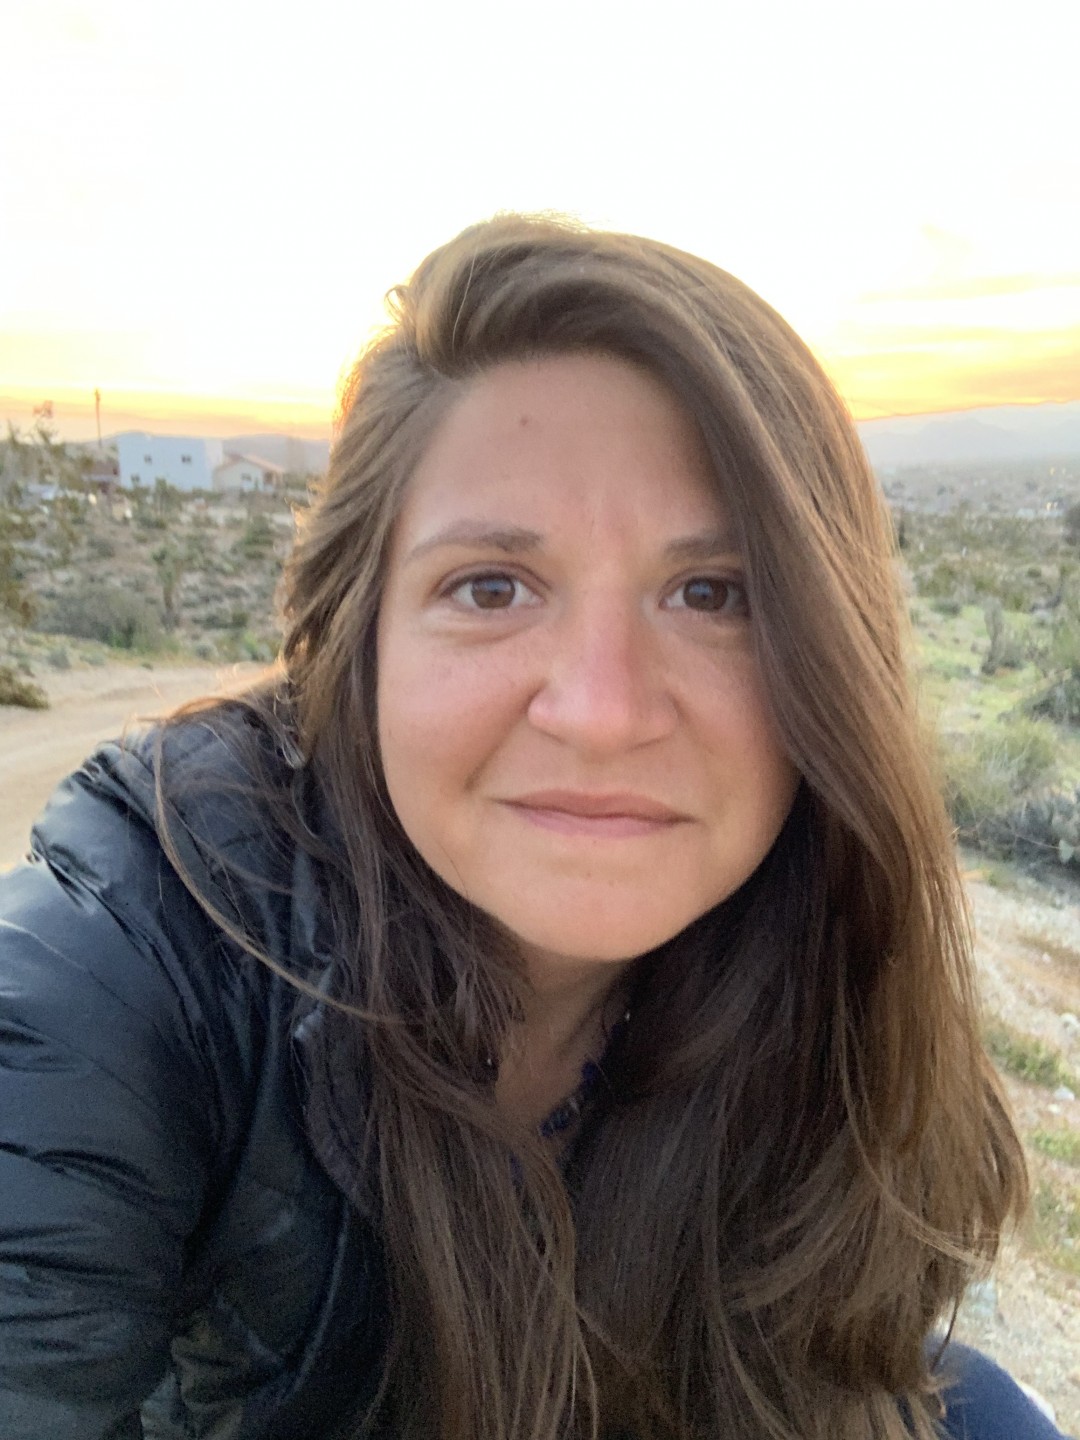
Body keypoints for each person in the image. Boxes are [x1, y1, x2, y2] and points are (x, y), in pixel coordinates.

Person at [0, 215, 1065, 1440]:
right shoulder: (141, 956)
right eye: (492, 588)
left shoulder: (826, 961)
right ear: (356, 644)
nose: (603, 712)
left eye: (712, 594)